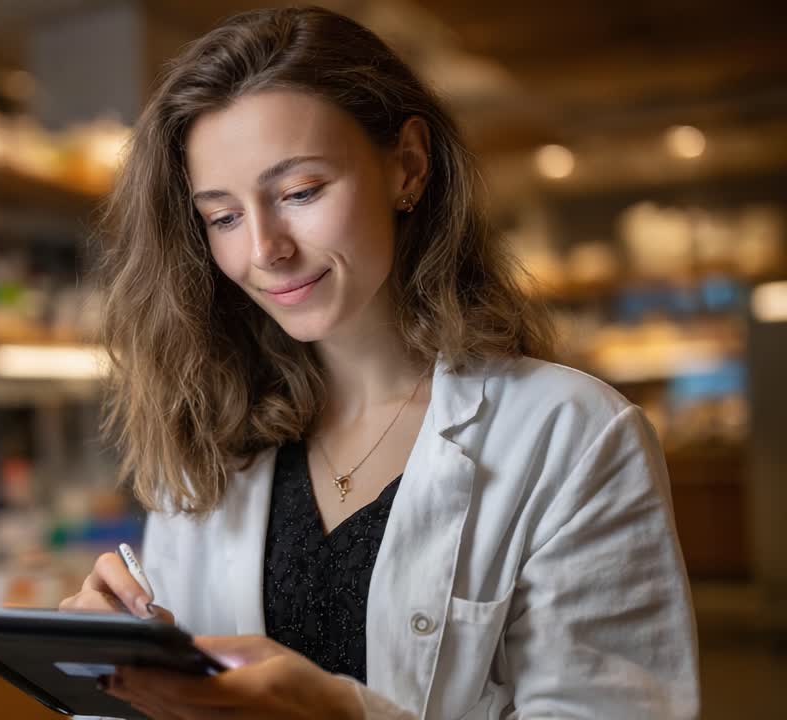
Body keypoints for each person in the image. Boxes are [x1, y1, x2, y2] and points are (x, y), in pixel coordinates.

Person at [59, 7, 699, 719]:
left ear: (409, 167)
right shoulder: (211, 437)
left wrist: (341, 716)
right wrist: (117, 677)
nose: (265, 250)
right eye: (224, 217)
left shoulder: (573, 436)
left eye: (300, 192)